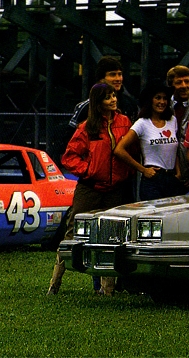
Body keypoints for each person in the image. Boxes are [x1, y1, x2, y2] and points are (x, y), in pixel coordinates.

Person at [47, 82, 133, 296]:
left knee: (111, 236)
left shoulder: (124, 122)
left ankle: (108, 289)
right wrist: (88, 170)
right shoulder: (86, 127)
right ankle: (55, 283)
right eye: (108, 97)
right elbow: (69, 156)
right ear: (98, 102)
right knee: (73, 231)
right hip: (90, 188)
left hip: (115, 188)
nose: (113, 100)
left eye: (114, 96)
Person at [113, 82, 186, 201]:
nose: (162, 102)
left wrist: (178, 172)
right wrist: (143, 170)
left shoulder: (172, 120)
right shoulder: (142, 123)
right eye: (158, 98)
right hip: (153, 180)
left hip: (172, 178)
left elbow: (174, 149)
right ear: (150, 100)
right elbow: (119, 150)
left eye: (165, 98)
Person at [69, 56, 136, 127]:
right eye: (113, 74)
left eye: (120, 74)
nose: (118, 79)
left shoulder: (130, 104)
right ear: (101, 79)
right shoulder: (86, 107)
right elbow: (71, 132)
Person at [166, 65, 189, 188]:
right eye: (179, 82)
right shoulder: (163, 106)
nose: (184, 86)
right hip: (169, 172)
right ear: (171, 85)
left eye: (187, 81)